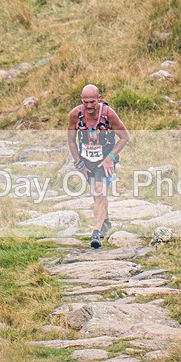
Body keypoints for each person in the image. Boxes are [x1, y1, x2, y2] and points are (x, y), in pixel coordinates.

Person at [67, 84, 130, 248]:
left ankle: (96, 232)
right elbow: (71, 140)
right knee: (97, 194)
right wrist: (78, 162)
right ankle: (106, 222)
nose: (88, 106)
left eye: (92, 102)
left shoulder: (108, 114)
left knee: (99, 189)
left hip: (105, 159)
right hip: (87, 160)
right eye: (85, 102)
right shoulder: (75, 114)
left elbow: (124, 137)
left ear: (99, 99)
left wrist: (110, 157)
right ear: (81, 99)